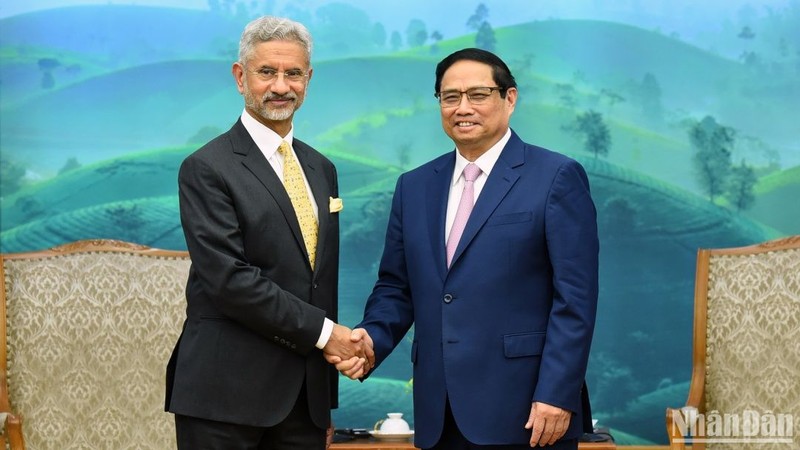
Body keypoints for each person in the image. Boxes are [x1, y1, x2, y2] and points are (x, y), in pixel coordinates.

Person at [332, 48, 599, 449]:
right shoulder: (415, 186)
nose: (462, 108)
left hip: (529, 413)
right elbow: (396, 287)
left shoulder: (556, 177)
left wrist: (557, 394)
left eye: (478, 94)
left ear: (510, 99)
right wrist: (370, 341)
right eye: (450, 97)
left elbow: (575, 300)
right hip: (439, 413)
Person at [165, 16, 371, 450]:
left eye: (293, 73)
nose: (281, 86)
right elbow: (229, 280)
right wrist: (326, 334)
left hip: (304, 404)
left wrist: (324, 403)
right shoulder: (206, 167)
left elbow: (319, 281)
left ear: (308, 79)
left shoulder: (321, 168)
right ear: (240, 77)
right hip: (225, 398)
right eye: (267, 72)